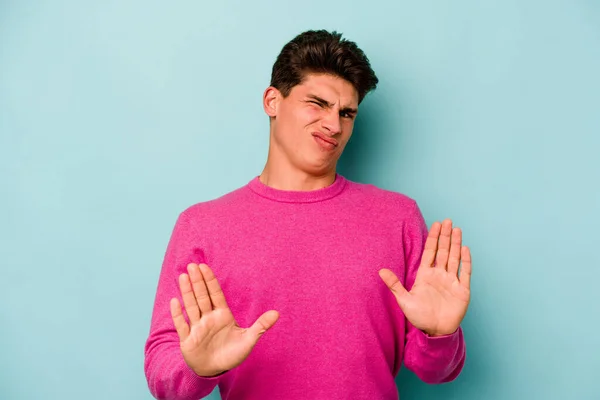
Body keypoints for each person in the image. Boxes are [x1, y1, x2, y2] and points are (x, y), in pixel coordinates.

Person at [144, 29, 472, 400]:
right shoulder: (203, 225)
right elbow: (162, 369)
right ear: (272, 100)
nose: (334, 125)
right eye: (317, 103)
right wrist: (197, 369)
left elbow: (437, 371)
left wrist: (440, 335)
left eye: (346, 113)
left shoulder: (397, 217)